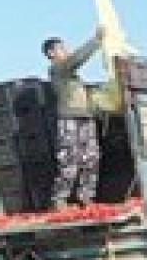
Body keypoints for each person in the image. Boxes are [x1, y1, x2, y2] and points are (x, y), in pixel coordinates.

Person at [43, 28, 106, 209]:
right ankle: (59, 200)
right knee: (70, 159)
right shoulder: (57, 69)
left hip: (85, 117)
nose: (66, 51)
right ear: (51, 53)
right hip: (69, 119)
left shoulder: (72, 76)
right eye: (61, 48)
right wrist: (96, 40)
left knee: (91, 158)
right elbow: (76, 59)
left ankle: (86, 198)